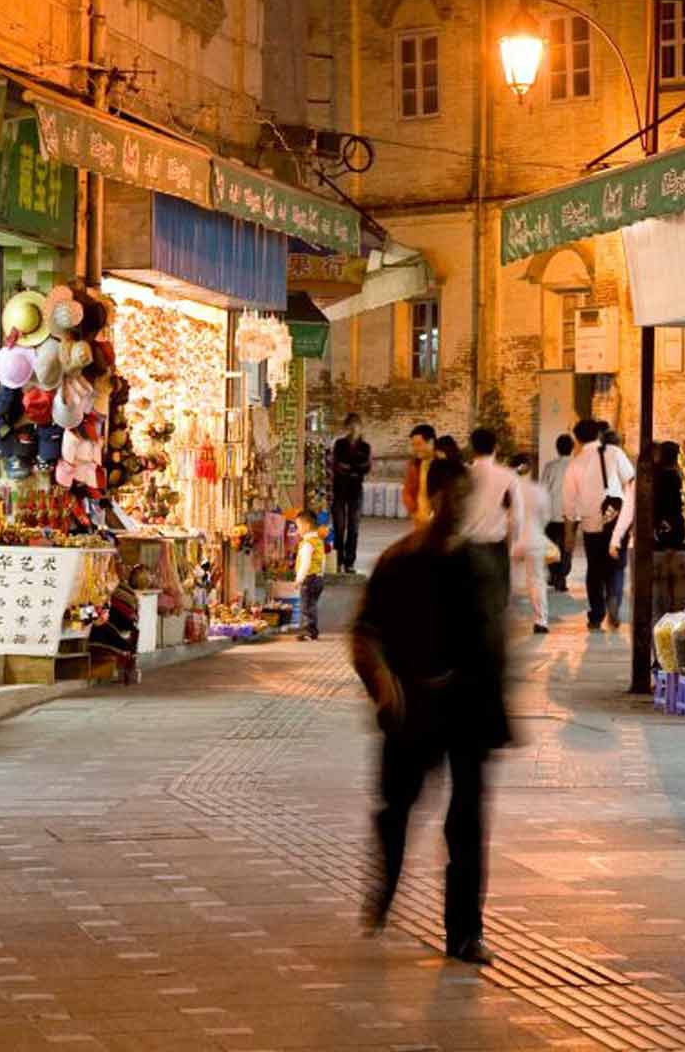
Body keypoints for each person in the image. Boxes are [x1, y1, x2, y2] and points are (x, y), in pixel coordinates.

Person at [350, 459, 507, 966]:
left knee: (466, 824)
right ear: (433, 498)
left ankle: (465, 933)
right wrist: (384, 688)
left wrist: (499, 706)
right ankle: (386, 886)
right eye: (452, 497)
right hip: (413, 705)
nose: (458, 508)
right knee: (395, 811)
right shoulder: (401, 560)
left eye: (466, 498)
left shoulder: (479, 564)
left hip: (467, 708)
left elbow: (495, 637)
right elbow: (364, 633)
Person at [562, 419, 635, 631]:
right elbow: (630, 480)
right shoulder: (614, 453)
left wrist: (568, 536)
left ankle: (596, 615)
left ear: (577, 439)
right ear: (598, 434)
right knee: (616, 568)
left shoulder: (574, 464)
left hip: (590, 526)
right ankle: (614, 604)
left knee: (594, 571)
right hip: (614, 522)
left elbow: (569, 506)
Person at [459, 427, 520, 617]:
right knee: (497, 604)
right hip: (496, 546)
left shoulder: (463, 475)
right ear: (496, 447)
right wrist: (511, 545)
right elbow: (516, 516)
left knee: (468, 601)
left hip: (467, 547)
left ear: (472, 447)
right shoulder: (508, 477)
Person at [650, 442, 685, 618]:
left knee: (659, 611)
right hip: (683, 551)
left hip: (658, 550)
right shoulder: (684, 482)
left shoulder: (652, 482)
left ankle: (658, 645)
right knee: (681, 613)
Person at [510, 454, 554, 635]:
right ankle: (540, 620)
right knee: (536, 581)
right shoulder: (539, 490)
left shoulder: (509, 488)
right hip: (534, 537)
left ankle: (504, 619)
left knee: (506, 580)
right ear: (530, 468)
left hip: (511, 539)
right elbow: (546, 517)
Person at [330, 414, 373, 573]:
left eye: (356, 426)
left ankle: (350, 562)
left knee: (353, 527)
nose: (353, 429)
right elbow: (336, 465)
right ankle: (338, 560)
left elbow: (367, 467)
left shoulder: (365, 447)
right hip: (339, 489)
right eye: (350, 426)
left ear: (360, 427)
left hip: (356, 490)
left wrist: (350, 468)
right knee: (339, 526)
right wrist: (355, 468)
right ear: (346, 428)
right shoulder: (340, 444)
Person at [541, 433, 575, 592]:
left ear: (557, 448)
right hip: (570, 514)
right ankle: (562, 577)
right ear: (572, 447)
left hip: (551, 513)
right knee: (567, 547)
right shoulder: (577, 466)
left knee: (552, 546)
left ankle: (554, 575)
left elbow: (543, 490)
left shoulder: (550, 467)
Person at [294, 517, 326, 640]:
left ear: (306, 526)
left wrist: (299, 579)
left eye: (298, 526)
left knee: (306, 606)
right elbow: (322, 560)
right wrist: (321, 575)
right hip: (318, 578)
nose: (297, 530)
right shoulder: (318, 541)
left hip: (309, 578)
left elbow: (305, 563)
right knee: (311, 604)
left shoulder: (307, 543)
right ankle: (312, 630)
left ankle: (309, 631)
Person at [400, 424, 437, 524]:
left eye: (419, 444)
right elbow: (407, 490)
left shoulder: (444, 464)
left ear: (431, 442)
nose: (415, 449)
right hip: (419, 522)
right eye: (413, 445)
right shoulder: (414, 465)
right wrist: (413, 510)